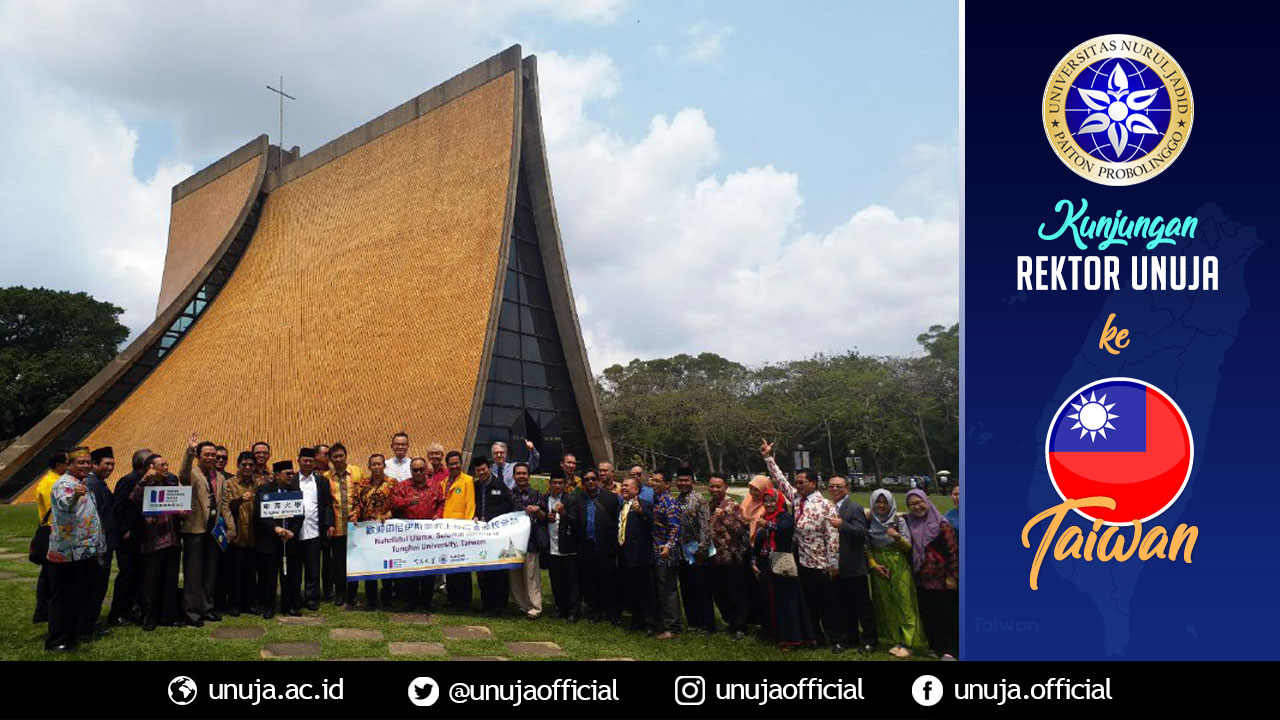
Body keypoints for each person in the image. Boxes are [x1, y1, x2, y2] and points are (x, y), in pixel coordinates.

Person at [761, 441, 840, 650]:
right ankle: (813, 636)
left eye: (803, 482)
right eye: (797, 482)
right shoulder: (796, 499)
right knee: (808, 604)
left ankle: (836, 638)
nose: (799, 485)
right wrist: (769, 458)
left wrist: (833, 563)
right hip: (800, 561)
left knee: (827, 604)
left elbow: (832, 536)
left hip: (819, 563)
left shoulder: (825, 506)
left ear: (814, 483)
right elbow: (780, 481)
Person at [44, 447, 107, 651]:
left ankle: (72, 633)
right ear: (69, 465)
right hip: (68, 552)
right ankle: (57, 640)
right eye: (81, 462)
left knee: (77, 594)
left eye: (88, 462)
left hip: (84, 550)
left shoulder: (82, 483)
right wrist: (73, 496)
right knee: (64, 597)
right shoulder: (64, 484)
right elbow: (64, 505)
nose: (86, 466)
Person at [751, 488, 814, 650]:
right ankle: (774, 633)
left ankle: (791, 638)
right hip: (766, 565)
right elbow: (758, 542)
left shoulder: (785, 517)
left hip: (782, 565)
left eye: (772, 500)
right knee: (770, 600)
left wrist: (768, 525)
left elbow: (784, 530)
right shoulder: (764, 517)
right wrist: (753, 561)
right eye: (766, 501)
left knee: (787, 602)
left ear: (779, 501)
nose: (769, 504)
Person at [866, 489, 925, 658]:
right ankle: (896, 639)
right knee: (887, 604)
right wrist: (873, 564)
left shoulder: (898, 521)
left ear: (891, 503)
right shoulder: (870, 521)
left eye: (885, 502)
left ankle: (910, 642)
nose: (881, 505)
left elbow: (908, 547)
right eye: (878, 502)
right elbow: (867, 546)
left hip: (898, 563)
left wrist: (897, 537)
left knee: (904, 602)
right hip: (878, 565)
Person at [178, 433, 227, 626]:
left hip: (213, 530)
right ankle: (192, 612)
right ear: (199, 456)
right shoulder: (192, 473)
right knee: (193, 573)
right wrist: (189, 451)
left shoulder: (220, 477)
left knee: (209, 573)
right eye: (207, 454)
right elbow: (182, 474)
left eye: (214, 455)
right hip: (195, 529)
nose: (211, 458)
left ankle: (207, 608)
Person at [131, 454, 185, 630]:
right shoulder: (145, 484)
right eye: (162, 465)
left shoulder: (171, 482)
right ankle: (150, 617)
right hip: (153, 540)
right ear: (151, 467)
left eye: (167, 464)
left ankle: (168, 615)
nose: (166, 467)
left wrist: (182, 510)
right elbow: (133, 500)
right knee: (151, 581)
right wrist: (144, 481)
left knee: (170, 579)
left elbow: (177, 502)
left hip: (172, 538)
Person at [905, 489, 959, 660]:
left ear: (927, 501)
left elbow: (953, 552)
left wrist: (952, 576)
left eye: (920, 502)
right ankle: (936, 646)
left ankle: (951, 649)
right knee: (929, 614)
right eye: (912, 504)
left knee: (947, 614)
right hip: (922, 578)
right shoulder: (911, 523)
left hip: (942, 579)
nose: (917, 506)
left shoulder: (942, 524)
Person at [827, 475, 877, 654]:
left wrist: (843, 525)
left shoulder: (854, 508)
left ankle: (869, 640)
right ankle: (850, 637)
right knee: (843, 605)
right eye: (831, 486)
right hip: (837, 566)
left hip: (854, 565)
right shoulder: (828, 507)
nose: (834, 489)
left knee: (862, 606)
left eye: (839, 486)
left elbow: (863, 531)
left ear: (847, 488)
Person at [391, 457, 445, 612]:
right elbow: (393, 502)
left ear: (426, 469)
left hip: (429, 534)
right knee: (410, 570)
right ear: (410, 470)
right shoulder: (403, 486)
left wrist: (438, 514)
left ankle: (426, 601)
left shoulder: (435, 486)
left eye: (421, 469)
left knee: (428, 569)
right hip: (409, 535)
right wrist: (408, 501)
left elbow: (441, 502)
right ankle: (411, 601)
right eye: (415, 470)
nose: (418, 473)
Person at [106, 448, 152, 626]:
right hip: (128, 536)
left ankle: (133, 607)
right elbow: (117, 507)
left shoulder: (145, 481)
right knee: (127, 573)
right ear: (143, 465)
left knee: (138, 573)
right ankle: (118, 611)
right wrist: (124, 529)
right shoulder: (128, 481)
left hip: (141, 534)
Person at [255, 461, 304, 618]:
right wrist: (274, 528)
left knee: (291, 576)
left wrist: (292, 532)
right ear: (276, 475)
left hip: (289, 540)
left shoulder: (295, 490)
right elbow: (259, 514)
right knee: (269, 576)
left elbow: (300, 515)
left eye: (292, 473)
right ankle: (269, 607)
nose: (291, 476)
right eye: (287, 473)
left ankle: (290, 605)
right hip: (270, 541)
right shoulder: (264, 490)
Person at [79, 446, 118, 641]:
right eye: (106, 464)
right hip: (98, 544)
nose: (110, 467)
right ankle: (87, 624)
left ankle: (90, 622)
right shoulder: (92, 484)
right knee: (94, 585)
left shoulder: (99, 482)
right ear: (95, 464)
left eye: (112, 464)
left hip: (105, 543)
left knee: (99, 585)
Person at [348, 454, 395, 610]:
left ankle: (387, 599)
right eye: (373, 464)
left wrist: (390, 514)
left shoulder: (392, 483)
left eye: (379, 464)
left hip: (386, 531)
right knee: (370, 566)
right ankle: (371, 600)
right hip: (367, 531)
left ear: (384, 466)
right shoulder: (363, 484)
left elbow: (398, 504)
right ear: (369, 467)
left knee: (386, 567)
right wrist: (354, 516)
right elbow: (357, 503)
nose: (376, 467)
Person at [707, 472, 751, 641]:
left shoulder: (733, 506)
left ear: (726, 487)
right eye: (712, 486)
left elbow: (741, 529)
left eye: (718, 486)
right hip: (713, 557)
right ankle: (730, 620)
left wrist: (724, 516)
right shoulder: (709, 505)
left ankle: (740, 625)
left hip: (731, 558)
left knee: (735, 593)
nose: (715, 489)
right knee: (719, 592)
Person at [293, 446, 334, 611]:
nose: (308, 463)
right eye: (305, 460)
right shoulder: (291, 481)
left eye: (310, 461)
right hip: (294, 532)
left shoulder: (321, 481)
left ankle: (312, 598)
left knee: (313, 568)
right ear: (299, 462)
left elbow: (327, 504)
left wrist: (329, 524)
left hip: (314, 530)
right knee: (295, 568)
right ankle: (295, 596)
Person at [578, 467, 621, 624]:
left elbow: (617, 522)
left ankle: (613, 613)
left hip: (606, 547)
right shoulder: (579, 499)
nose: (590, 482)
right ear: (582, 483)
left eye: (593, 479)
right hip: (587, 547)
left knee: (609, 581)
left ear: (598, 480)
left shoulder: (610, 498)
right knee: (591, 581)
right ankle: (595, 611)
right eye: (586, 479)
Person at [472, 456, 514, 615]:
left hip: (496, 535)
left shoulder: (499, 485)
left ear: (489, 468)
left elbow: (508, 505)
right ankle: (486, 603)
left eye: (483, 469)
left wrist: (489, 516)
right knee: (482, 571)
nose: (481, 472)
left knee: (497, 571)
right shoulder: (476, 486)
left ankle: (499, 605)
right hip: (480, 535)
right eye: (478, 471)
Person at [675, 466, 714, 634]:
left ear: (693, 482)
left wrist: (702, 550)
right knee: (687, 588)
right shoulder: (677, 500)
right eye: (680, 480)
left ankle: (707, 624)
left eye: (686, 480)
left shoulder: (699, 500)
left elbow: (706, 526)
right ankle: (693, 621)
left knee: (701, 589)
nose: (683, 483)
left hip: (697, 552)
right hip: (682, 553)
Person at [32, 451, 69, 624]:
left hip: (52, 531)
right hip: (52, 532)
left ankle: (42, 611)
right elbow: (54, 511)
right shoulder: (52, 483)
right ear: (59, 465)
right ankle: (46, 611)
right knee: (52, 575)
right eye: (67, 463)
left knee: (47, 574)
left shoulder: (51, 480)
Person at [324, 442, 362, 607]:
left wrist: (357, 514)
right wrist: (329, 523)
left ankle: (352, 594)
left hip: (355, 525)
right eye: (335, 457)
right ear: (330, 459)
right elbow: (326, 503)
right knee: (338, 562)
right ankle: (340, 592)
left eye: (341, 456)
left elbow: (362, 496)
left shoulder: (356, 472)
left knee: (354, 561)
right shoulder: (326, 477)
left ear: (346, 456)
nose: (338, 459)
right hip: (337, 526)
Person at [542, 474, 584, 622]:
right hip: (552, 546)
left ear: (565, 485)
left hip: (568, 546)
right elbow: (542, 519)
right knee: (556, 580)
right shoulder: (545, 499)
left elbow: (576, 520)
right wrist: (546, 517)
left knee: (571, 580)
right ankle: (561, 607)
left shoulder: (571, 499)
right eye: (555, 483)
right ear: (550, 484)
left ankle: (573, 611)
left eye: (561, 483)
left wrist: (563, 513)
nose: (558, 486)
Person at [617, 476, 656, 634]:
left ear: (636, 490)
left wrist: (641, 512)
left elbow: (651, 523)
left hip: (640, 557)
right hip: (625, 556)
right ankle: (636, 620)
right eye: (622, 486)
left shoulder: (645, 505)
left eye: (627, 486)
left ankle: (650, 623)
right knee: (631, 590)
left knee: (645, 591)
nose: (623, 488)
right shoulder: (621, 506)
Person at [222, 451, 259, 616]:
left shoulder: (257, 484)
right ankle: (235, 604)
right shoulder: (230, 483)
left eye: (251, 465)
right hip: (236, 533)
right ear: (238, 466)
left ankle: (249, 603)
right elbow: (227, 506)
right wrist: (240, 500)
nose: (247, 467)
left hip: (253, 534)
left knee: (251, 572)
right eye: (244, 464)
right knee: (235, 572)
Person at [441, 451, 476, 611]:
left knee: (463, 566)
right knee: (450, 565)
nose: (454, 466)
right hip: (446, 529)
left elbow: (470, 504)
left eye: (457, 463)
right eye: (451, 464)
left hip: (461, 528)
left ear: (461, 463)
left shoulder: (467, 480)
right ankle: (452, 597)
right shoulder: (444, 482)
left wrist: (467, 527)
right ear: (447, 466)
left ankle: (464, 600)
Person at [510, 462, 545, 619]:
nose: (521, 476)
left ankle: (534, 607)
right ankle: (522, 605)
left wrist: (537, 512)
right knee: (515, 576)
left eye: (524, 473)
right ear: (514, 476)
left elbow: (545, 517)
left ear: (528, 476)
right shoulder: (509, 495)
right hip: (512, 543)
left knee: (531, 576)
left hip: (531, 542)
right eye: (518, 473)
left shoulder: (537, 495)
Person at [649, 470, 681, 639]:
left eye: (658, 481)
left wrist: (668, 546)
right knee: (660, 588)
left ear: (667, 484)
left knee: (668, 589)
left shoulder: (669, 502)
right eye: (652, 480)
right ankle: (663, 622)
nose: (654, 483)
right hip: (655, 550)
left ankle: (672, 627)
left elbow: (675, 527)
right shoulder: (655, 499)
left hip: (666, 553)